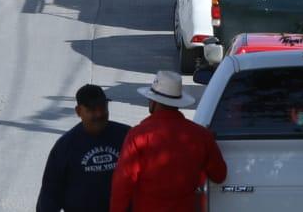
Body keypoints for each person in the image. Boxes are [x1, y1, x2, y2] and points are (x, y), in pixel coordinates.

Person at [109, 71, 227, 212]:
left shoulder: (138, 136)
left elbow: (122, 184)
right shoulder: (201, 136)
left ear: (153, 101)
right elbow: (220, 175)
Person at [36, 84, 131, 212]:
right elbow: (50, 193)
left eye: (103, 107)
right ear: (78, 111)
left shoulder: (126, 136)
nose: (99, 114)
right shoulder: (65, 146)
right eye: (92, 109)